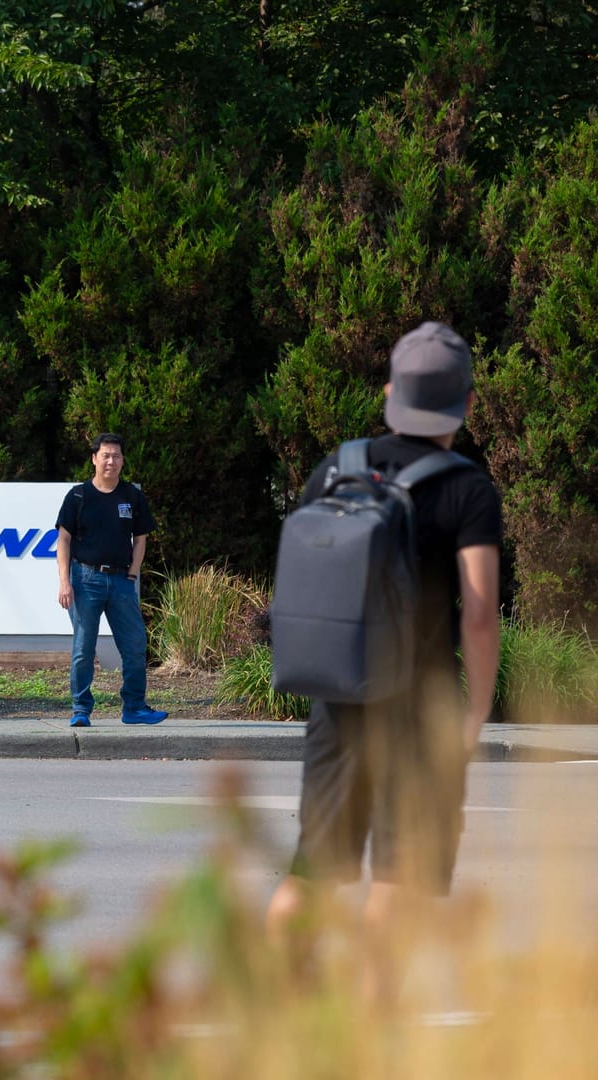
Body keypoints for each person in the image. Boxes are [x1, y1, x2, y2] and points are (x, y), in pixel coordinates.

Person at [265, 322, 502, 1005]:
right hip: (418, 706)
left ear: (391, 392)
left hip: (336, 701)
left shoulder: (337, 468)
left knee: (313, 872)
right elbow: (480, 615)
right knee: (397, 882)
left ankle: (285, 1015)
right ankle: (375, 1039)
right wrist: (475, 713)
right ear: (464, 403)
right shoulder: (467, 490)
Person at [53, 433, 168, 728]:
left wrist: (132, 574)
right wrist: (65, 581)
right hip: (85, 580)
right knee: (83, 649)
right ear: (94, 458)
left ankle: (134, 708)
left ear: (122, 460)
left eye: (116, 456)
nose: (111, 461)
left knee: (134, 645)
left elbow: (140, 539)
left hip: (120, 582)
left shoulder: (131, 496)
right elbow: (63, 540)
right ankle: (81, 709)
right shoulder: (78, 496)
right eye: (105, 455)